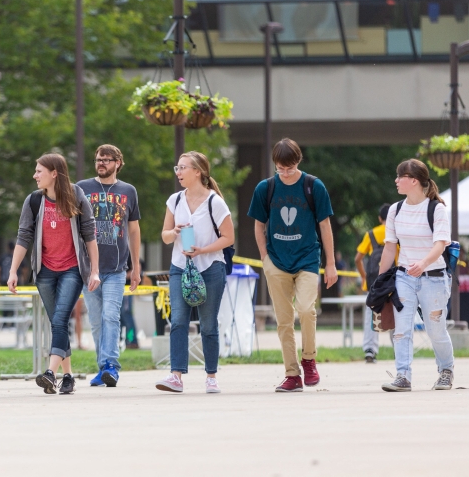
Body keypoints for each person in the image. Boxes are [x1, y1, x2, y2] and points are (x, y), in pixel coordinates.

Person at [247, 138, 337, 393]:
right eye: (280, 168)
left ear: (298, 161)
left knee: (307, 310)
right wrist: (265, 258)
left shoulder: (313, 186)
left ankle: (309, 359)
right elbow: (258, 224)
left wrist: (330, 263)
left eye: (290, 168)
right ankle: (292, 374)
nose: (285, 173)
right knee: (284, 320)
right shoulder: (266, 188)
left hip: (307, 258)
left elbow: (325, 225)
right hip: (276, 262)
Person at [7, 153, 100, 395]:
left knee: (60, 321)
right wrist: (13, 270)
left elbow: (90, 235)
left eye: (39, 171)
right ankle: (67, 377)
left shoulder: (76, 196)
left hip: (72, 269)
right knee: (57, 324)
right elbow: (23, 236)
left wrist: (95, 271)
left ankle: (50, 373)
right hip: (45, 271)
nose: (35, 175)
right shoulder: (34, 201)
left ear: (54, 173)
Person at [155, 151, 234, 394]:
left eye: (182, 168)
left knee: (208, 323)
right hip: (180, 267)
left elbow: (229, 238)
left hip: (210, 267)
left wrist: (202, 250)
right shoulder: (175, 200)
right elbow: (165, 235)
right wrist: (175, 231)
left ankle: (211, 375)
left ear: (197, 172)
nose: (178, 172)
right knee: (178, 320)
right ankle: (176, 375)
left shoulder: (215, 202)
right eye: (176, 168)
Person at [378, 159, 454, 392]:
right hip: (404, 278)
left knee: (435, 328)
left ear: (413, 180)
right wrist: (379, 283)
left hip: (434, 277)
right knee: (401, 328)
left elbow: (440, 244)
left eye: (400, 176)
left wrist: (422, 263)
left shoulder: (436, 209)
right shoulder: (395, 210)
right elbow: (390, 247)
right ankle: (403, 375)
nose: (396, 180)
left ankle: (446, 370)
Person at [77, 144, 141, 387]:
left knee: (111, 315)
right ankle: (102, 367)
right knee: (96, 320)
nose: (101, 163)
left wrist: (136, 267)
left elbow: (133, 230)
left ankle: (111, 366)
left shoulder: (128, 191)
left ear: (118, 163)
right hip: (88, 268)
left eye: (106, 159)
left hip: (116, 268)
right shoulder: (82, 188)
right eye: (98, 159)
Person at [354, 203, 394, 363]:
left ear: (379, 218)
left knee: (371, 315)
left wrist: (364, 276)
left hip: (373, 283)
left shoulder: (371, 234)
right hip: (393, 282)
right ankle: (399, 349)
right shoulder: (396, 233)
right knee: (395, 314)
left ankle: (370, 350)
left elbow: (358, 258)